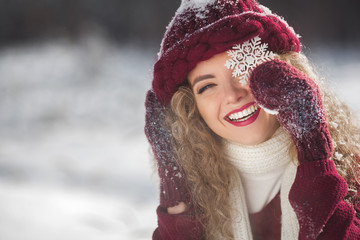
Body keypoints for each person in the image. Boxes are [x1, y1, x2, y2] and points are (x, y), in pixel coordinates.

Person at [145, 0, 360, 239]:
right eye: (207, 86)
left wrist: (314, 151)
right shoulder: (198, 193)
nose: (233, 95)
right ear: (191, 108)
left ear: (284, 70)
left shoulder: (351, 169)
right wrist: (176, 187)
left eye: (243, 69)